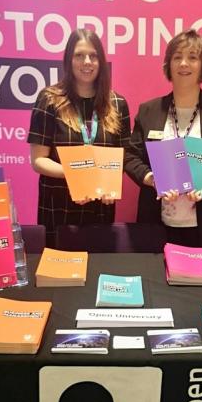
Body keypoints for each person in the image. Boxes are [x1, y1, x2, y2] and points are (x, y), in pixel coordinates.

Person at [124, 29, 202, 254]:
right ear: (168, 65)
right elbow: (131, 157)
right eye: (177, 57)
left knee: (200, 288)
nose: (184, 64)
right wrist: (154, 180)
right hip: (156, 224)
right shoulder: (149, 110)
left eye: (192, 57)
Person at [27, 28, 130, 247]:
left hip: (101, 207)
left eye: (93, 56)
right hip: (58, 207)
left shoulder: (118, 104)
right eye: (79, 55)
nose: (87, 62)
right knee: (61, 275)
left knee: (97, 269)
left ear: (101, 61)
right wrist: (79, 177)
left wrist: (106, 184)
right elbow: (38, 160)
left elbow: (123, 157)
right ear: (68, 60)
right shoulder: (49, 100)